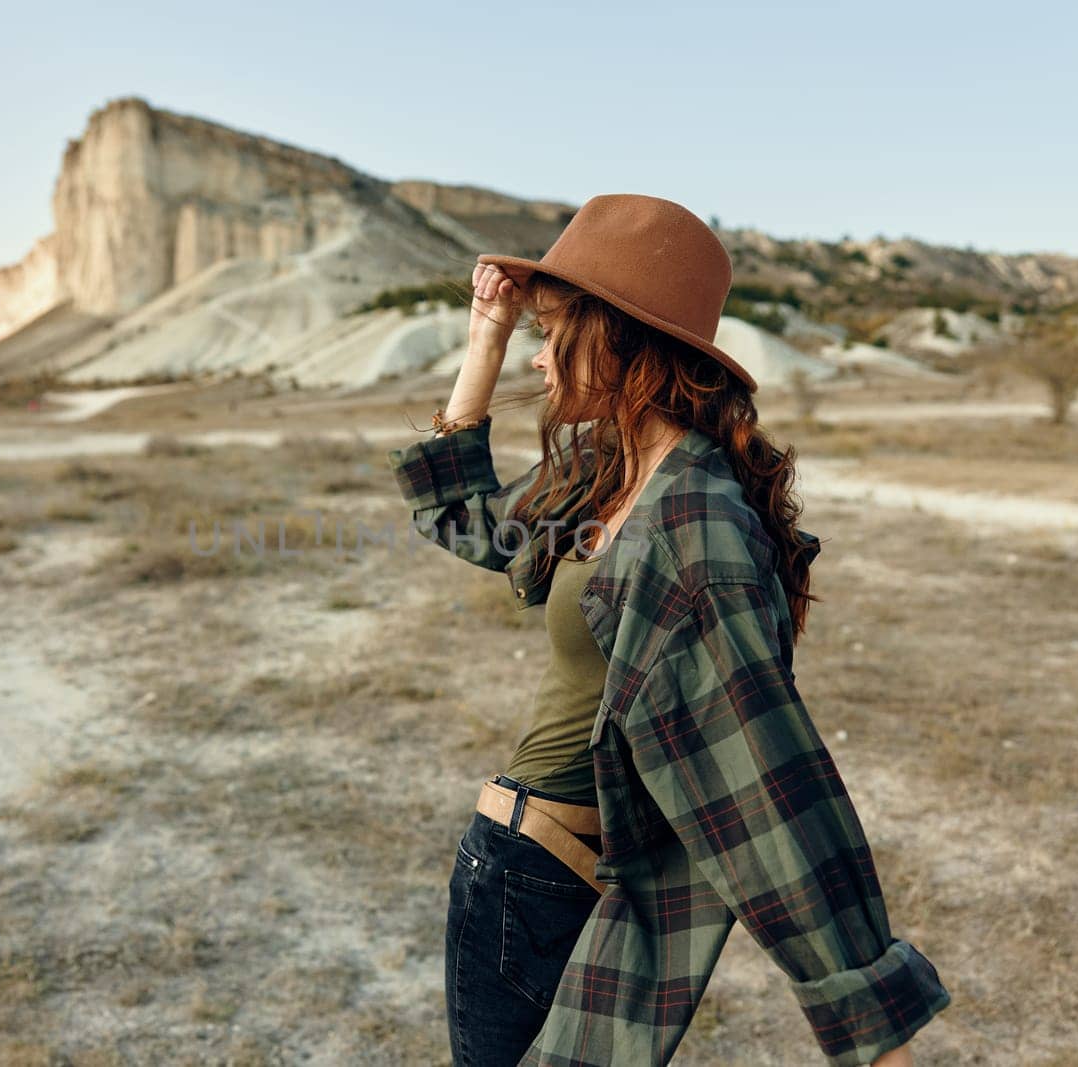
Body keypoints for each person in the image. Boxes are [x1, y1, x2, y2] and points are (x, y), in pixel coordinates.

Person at [385, 194, 950, 1067]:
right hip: (512, 874)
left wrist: (871, 1025)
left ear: (616, 338)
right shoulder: (603, 472)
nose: (538, 358)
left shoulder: (693, 521)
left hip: (561, 884)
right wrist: (482, 343)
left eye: (554, 331)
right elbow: (461, 517)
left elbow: (769, 783)